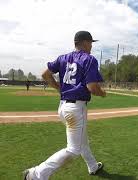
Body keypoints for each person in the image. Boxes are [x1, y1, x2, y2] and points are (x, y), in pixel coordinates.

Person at [23, 31, 106, 180]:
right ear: (85, 42)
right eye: (91, 43)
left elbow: (45, 74)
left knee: (82, 141)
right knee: (74, 149)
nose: (91, 46)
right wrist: (102, 93)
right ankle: (36, 174)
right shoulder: (89, 59)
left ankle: (93, 166)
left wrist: (58, 88)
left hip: (63, 107)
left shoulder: (63, 58)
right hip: (76, 108)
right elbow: (92, 87)